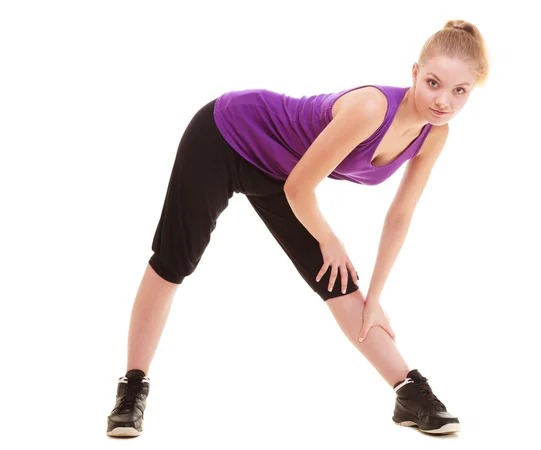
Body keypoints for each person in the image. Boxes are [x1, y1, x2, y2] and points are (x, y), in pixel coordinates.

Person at [106, 19, 489, 437]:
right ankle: (132, 387)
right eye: (434, 83)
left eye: (459, 91)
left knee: (340, 281)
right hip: (225, 134)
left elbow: (401, 214)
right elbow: (300, 187)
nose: (443, 101)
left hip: (282, 174)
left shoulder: (434, 135)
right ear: (415, 72)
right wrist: (329, 238)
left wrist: (375, 295)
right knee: (174, 260)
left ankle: (409, 391)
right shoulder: (371, 108)